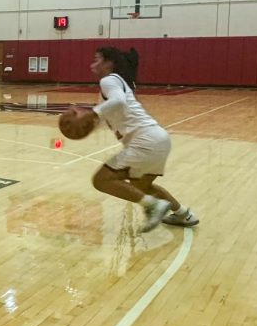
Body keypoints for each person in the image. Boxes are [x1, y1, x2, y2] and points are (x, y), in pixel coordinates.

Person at [74, 47, 199, 231]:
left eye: (97, 59)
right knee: (143, 188)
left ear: (109, 63)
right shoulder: (115, 84)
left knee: (101, 180)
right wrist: (85, 125)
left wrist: (92, 113)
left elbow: (119, 101)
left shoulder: (108, 80)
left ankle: (153, 206)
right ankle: (184, 215)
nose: (93, 64)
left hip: (144, 141)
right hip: (159, 139)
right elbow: (108, 115)